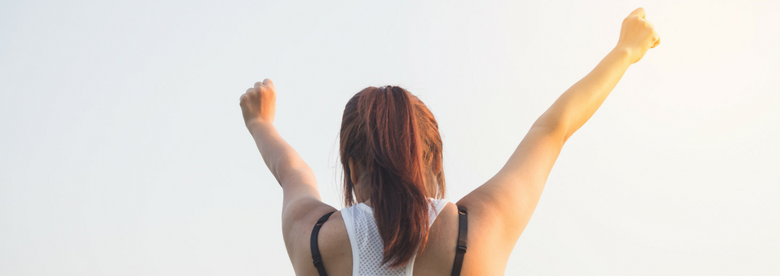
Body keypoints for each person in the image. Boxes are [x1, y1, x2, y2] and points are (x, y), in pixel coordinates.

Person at [239, 7, 660, 276]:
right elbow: (552, 129)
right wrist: (625, 50)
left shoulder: (314, 240)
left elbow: (291, 171)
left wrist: (260, 122)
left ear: (351, 165)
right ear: (433, 160)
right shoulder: (476, 233)